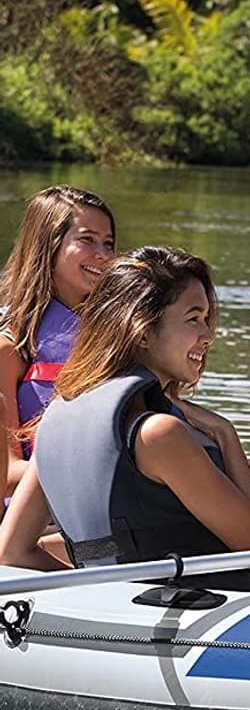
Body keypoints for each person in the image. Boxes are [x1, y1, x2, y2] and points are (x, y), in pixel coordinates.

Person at [0, 246, 250, 591]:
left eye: (206, 320)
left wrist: (98, 590)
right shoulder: (159, 434)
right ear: (142, 331)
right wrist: (225, 434)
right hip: (195, 620)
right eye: (193, 319)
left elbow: (11, 552)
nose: (207, 336)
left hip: (122, 614)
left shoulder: (56, 418)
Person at [0, 185, 117, 493]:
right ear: (47, 245)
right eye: (87, 240)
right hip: (38, 521)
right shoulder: (10, 348)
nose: (103, 256)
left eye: (108, 243)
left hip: (108, 505)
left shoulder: (112, 342)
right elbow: (8, 475)